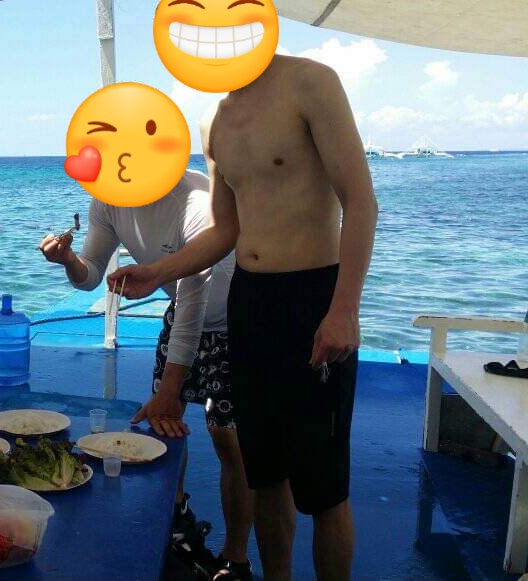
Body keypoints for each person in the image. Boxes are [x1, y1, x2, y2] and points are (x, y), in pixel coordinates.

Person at [108, 55, 378, 581]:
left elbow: (361, 201)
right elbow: (223, 231)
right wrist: (156, 271)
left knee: (323, 487)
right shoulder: (214, 120)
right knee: (265, 473)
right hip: (249, 304)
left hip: (313, 296)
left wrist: (345, 308)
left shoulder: (311, 83)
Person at [39, 170, 253, 580]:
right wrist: (69, 261)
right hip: (182, 314)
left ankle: (235, 558)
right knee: (165, 428)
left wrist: (171, 389)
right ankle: (177, 525)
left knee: (229, 440)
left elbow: (193, 299)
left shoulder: (196, 201)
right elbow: (90, 276)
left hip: (235, 322)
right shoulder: (106, 199)